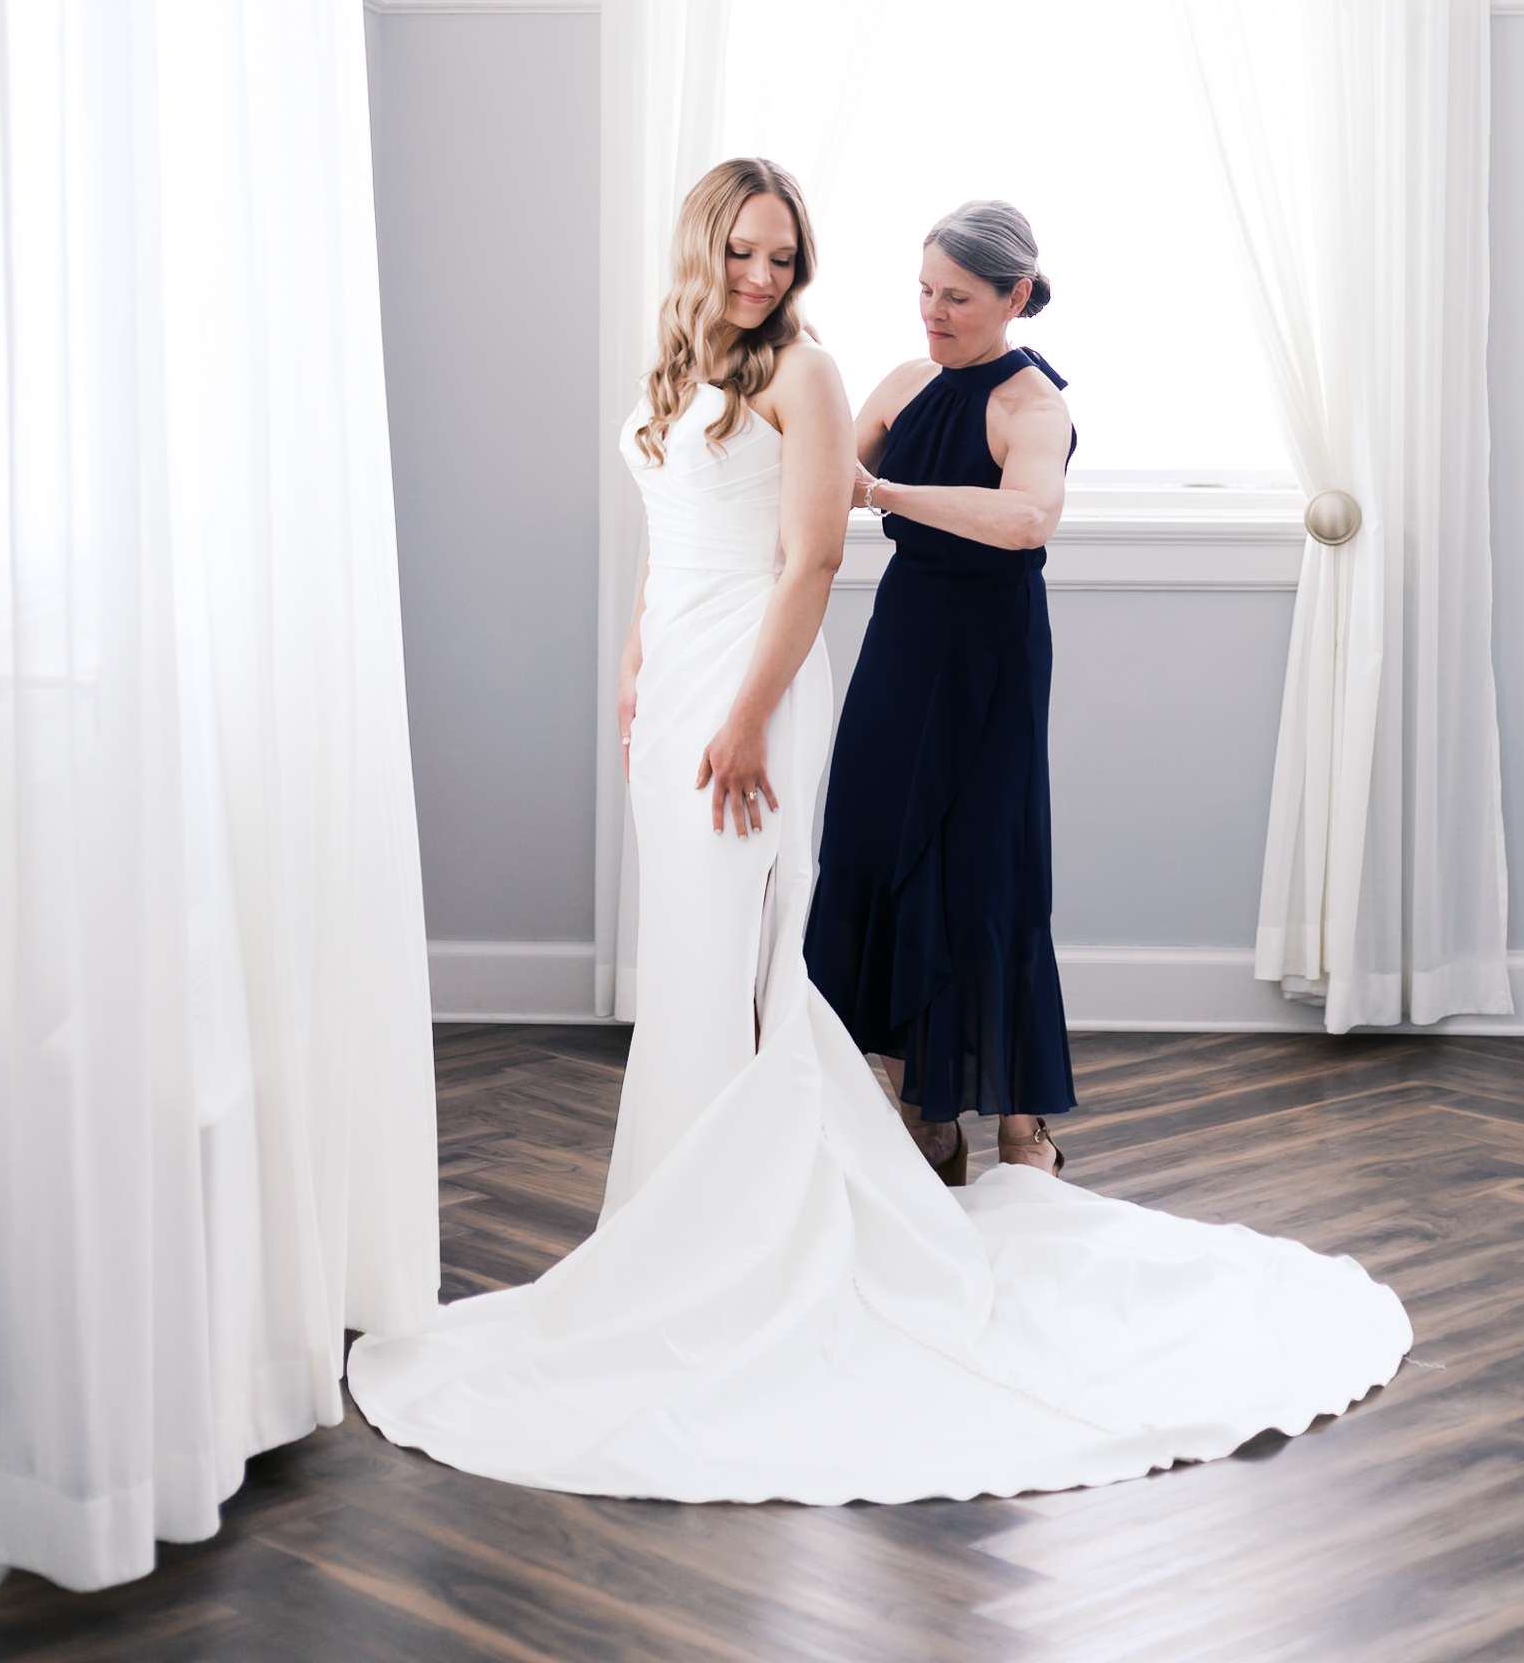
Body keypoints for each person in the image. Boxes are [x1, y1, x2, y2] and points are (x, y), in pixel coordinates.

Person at [348, 157, 1409, 1503]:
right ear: (700, 248)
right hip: (716, 662)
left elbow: (842, 543)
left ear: (1012, 296)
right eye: (744, 253)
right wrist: (637, 655)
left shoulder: (922, 387)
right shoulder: (765, 375)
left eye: (784, 258)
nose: (766, 277)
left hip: (866, 659)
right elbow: (700, 524)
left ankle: (933, 1148)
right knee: (739, 936)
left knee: (933, 890)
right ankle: (724, 1198)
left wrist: (752, 699)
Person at [805, 200, 1077, 1185]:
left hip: (991, 653)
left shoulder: (1032, 406)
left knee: (984, 871)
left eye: (956, 297)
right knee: (875, 848)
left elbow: (1025, 518)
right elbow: (814, 473)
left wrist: (881, 493)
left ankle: (1020, 1121)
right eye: (923, 290)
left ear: (1014, 297)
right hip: (902, 635)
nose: (933, 311)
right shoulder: (903, 382)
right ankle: (921, 1105)